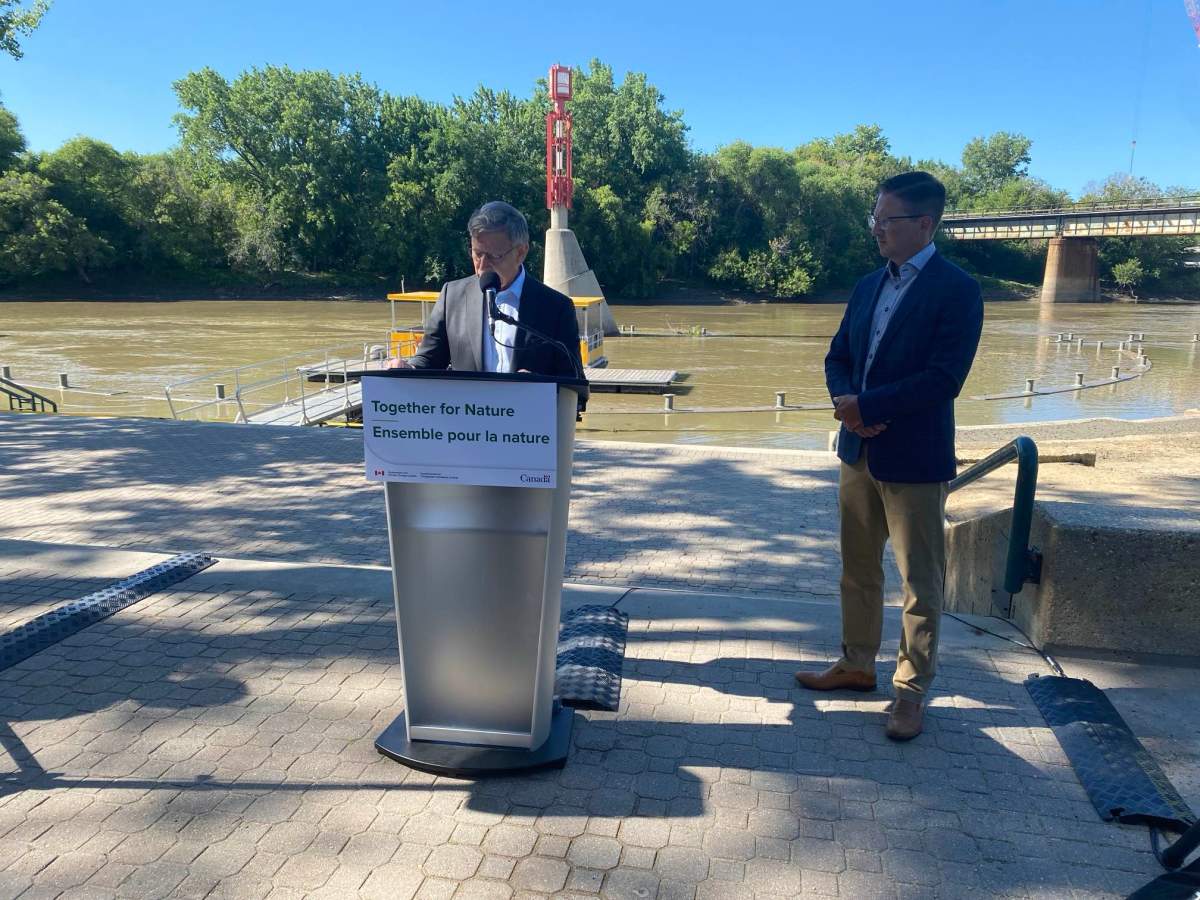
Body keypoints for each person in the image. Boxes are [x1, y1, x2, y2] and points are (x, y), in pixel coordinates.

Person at [794, 171, 983, 741]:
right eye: (874, 217)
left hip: (914, 459)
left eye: (887, 219)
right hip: (858, 452)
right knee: (856, 569)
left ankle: (910, 692)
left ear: (924, 225)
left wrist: (869, 405)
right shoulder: (866, 285)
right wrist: (848, 405)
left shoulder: (958, 290)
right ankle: (856, 665)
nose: (876, 228)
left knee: (919, 583)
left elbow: (944, 378)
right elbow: (837, 357)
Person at [388, 201, 586, 391]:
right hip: (468, 422)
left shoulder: (556, 307)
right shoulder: (452, 296)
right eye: (477, 254)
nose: (482, 266)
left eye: (493, 256)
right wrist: (407, 368)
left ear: (521, 252)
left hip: (529, 424)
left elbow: (574, 381)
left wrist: (540, 386)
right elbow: (429, 361)